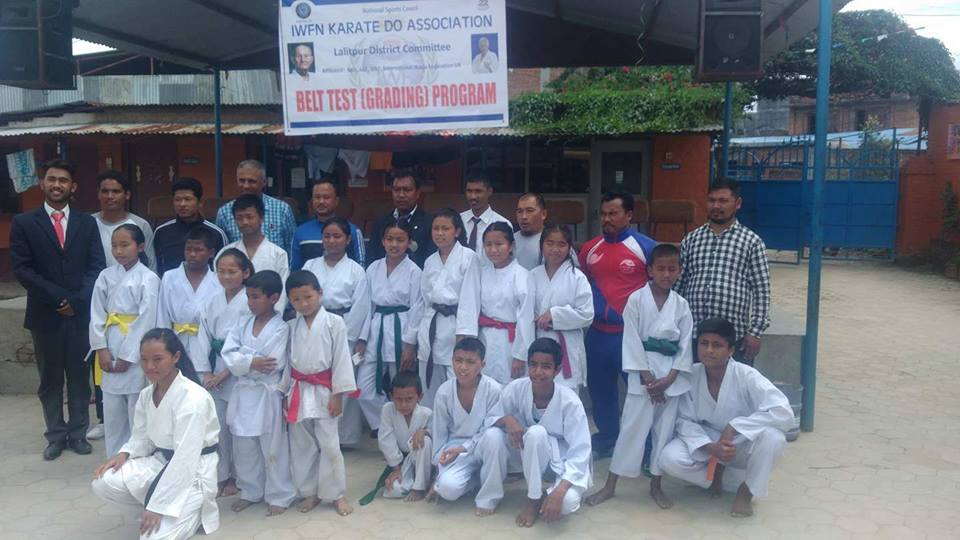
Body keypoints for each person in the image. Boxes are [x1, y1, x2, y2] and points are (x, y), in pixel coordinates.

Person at [10, 159, 105, 460]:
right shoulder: (24, 223)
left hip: (79, 316)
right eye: (51, 179)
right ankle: (54, 435)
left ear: (72, 187)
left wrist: (76, 301)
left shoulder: (87, 223)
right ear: (42, 183)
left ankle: (77, 433)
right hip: (45, 316)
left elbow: (96, 267)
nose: (56, 185)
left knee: (79, 378)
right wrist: (58, 299)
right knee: (50, 380)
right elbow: (22, 269)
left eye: (63, 180)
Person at [587, 243, 693, 510]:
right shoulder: (636, 299)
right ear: (650, 270)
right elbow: (631, 340)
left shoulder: (681, 305)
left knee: (663, 432)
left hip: (670, 377)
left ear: (679, 271)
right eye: (661, 269)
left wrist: (670, 379)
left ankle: (656, 485)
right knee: (631, 429)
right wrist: (648, 379)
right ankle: (610, 485)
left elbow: (685, 346)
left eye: (672, 269)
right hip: (643, 376)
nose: (666, 274)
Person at [92, 328, 220, 540]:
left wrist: (158, 506)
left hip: (194, 473)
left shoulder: (193, 399)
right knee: (104, 481)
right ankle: (154, 513)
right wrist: (124, 454)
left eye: (157, 359)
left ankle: (194, 512)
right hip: (161, 461)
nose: (149, 366)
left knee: (152, 539)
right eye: (144, 359)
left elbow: (185, 459)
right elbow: (142, 438)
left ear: (175, 357)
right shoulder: (146, 395)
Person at [658, 318, 793, 517]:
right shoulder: (691, 375)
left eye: (717, 345)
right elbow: (684, 421)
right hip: (709, 441)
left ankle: (746, 490)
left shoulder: (747, 376)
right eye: (704, 343)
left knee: (774, 438)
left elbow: (784, 412)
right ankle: (715, 477)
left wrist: (736, 426)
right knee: (669, 459)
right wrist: (710, 447)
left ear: (731, 350)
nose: (709, 350)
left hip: (739, 442)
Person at [579, 190, 657, 457]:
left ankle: (646, 447)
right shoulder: (589, 249)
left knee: (640, 394)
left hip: (630, 336)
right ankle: (607, 438)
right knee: (601, 391)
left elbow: (659, 289)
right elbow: (585, 283)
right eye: (603, 214)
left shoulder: (647, 248)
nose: (607, 219)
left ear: (629, 215)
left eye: (613, 213)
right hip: (597, 334)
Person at [88, 171, 157, 441]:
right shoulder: (106, 276)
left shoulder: (148, 279)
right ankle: (113, 458)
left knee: (137, 411)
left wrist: (129, 355)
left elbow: (146, 318)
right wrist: (101, 348)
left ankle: (137, 458)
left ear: (140, 247)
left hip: (135, 350)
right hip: (110, 342)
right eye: (114, 246)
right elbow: (97, 314)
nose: (119, 251)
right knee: (113, 412)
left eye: (125, 245)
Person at [221, 271, 296, 516]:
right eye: (248, 297)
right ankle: (250, 491)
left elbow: (272, 362)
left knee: (273, 445)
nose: (250, 302)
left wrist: (243, 357)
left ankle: (279, 495)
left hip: (268, 393)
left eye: (255, 297)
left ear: (273, 298)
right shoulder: (242, 323)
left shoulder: (281, 328)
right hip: (244, 391)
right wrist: (251, 361)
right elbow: (228, 354)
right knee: (244, 445)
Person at [283, 270, 358, 516]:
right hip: (298, 388)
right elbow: (286, 363)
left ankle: (336, 494)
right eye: (297, 299)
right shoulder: (290, 327)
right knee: (301, 444)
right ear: (289, 301)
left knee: (329, 443)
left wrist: (338, 393)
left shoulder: (335, 323)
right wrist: (284, 392)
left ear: (320, 293)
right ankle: (309, 492)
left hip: (325, 389)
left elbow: (341, 358)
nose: (304, 304)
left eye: (308, 297)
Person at [497, 338, 592, 527]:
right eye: (533, 365)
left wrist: (560, 491)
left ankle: (550, 494)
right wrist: (508, 419)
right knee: (535, 433)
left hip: (564, 463)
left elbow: (581, 451)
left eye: (546, 367)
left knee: (566, 503)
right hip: (530, 456)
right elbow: (492, 417)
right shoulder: (516, 388)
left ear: (557, 370)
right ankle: (534, 498)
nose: (538, 372)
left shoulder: (570, 402)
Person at [677, 178, 771, 365]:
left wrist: (755, 332)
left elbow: (761, 290)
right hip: (694, 335)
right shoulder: (692, 239)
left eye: (723, 201)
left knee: (732, 383)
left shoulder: (752, 242)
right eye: (711, 200)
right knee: (694, 382)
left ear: (738, 203)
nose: (716, 206)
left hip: (732, 338)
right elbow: (680, 284)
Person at [302, 218, 370, 447]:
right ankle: (316, 433)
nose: (331, 241)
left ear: (348, 239)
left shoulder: (356, 270)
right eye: (327, 236)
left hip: (344, 327)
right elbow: (301, 297)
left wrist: (351, 336)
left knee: (343, 381)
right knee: (316, 380)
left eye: (337, 236)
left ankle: (345, 437)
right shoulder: (310, 265)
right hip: (313, 324)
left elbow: (361, 306)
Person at [427, 338, 508, 517]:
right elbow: (439, 433)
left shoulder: (494, 390)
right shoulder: (444, 391)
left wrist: (465, 448)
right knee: (447, 490)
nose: (463, 367)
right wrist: (438, 471)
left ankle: (489, 498)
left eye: (470, 362)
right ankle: (477, 480)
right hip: (454, 451)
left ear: (482, 365)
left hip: (484, 446)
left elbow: (491, 427)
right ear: (452, 361)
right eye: (458, 360)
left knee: (494, 435)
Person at [355, 221, 424, 432]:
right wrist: (362, 338)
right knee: (363, 388)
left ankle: (405, 429)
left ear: (409, 242)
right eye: (390, 239)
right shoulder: (373, 268)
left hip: (401, 328)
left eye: (400, 240)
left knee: (402, 387)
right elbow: (366, 305)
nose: (394, 244)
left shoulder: (414, 271)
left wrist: (410, 345)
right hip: (376, 329)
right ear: (383, 241)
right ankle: (384, 425)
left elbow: (417, 308)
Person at [197, 248, 253, 498]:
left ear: (245, 273)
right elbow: (202, 336)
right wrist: (206, 371)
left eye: (232, 271)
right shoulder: (212, 300)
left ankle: (239, 476)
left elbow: (247, 342)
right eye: (221, 271)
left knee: (238, 426)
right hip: (214, 367)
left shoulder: (250, 301)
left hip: (238, 370)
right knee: (218, 425)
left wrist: (225, 373)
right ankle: (221, 475)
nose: (226, 277)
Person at [458, 222, 534, 386]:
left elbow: (526, 318)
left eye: (499, 244)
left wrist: (520, 355)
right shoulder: (482, 273)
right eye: (488, 244)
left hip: (510, 342)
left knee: (511, 387)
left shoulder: (522, 276)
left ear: (511, 246)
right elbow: (470, 307)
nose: (493, 250)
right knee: (484, 385)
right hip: (485, 338)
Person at [417, 209, 478, 407]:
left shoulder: (468, 257)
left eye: (445, 228)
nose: (440, 233)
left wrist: (464, 335)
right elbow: (423, 301)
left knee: (457, 386)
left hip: (455, 327)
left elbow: (470, 298)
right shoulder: (430, 261)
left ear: (457, 231)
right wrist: (413, 337)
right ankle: (431, 424)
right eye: (436, 228)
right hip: (431, 326)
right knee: (429, 388)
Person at [527, 225, 594, 389]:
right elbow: (525, 312)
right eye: (549, 243)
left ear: (569, 247)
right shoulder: (533, 275)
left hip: (567, 345)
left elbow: (587, 314)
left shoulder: (577, 277)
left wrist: (554, 315)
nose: (555, 249)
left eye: (561, 244)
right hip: (538, 341)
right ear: (541, 245)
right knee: (538, 393)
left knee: (567, 394)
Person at [158, 227, 223, 377]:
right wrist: (163, 346)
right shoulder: (170, 277)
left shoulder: (218, 281)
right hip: (176, 340)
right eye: (188, 249)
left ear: (211, 253)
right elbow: (162, 316)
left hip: (206, 345)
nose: (192, 254)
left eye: (198, 250)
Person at [217, 194, 289, 311]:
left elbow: (282, 292)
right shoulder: (225, 253)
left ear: (261, 218)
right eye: (240, 218)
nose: (245, 222)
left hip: (267, 315)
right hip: (230, 314)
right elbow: (218, 287)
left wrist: (273, 317)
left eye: (249, 217)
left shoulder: (278, 254)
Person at [216, 159, 297, 255]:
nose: (246, 186)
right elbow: (221, 250)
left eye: (252, 181)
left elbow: (291, 247)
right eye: (242, 181)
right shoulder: (224, 212)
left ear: (264, 182)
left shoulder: (282, 209)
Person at [375, 371, 433, 501]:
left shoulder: (426, 414)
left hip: (423, 461)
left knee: (425, 440)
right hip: (402, 462)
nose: (403, 405)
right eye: (398, 399)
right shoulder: (388, 410)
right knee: (393, 490)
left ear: (420, 397)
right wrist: (396, 469)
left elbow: (437, 435)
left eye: (409, 399)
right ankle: (415, 481)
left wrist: (424, 431)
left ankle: (419, 488)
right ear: (391, 396)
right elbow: (386, 440)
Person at [153, 177, 227, 277]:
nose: (182, 204)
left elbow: (223, 267)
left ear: (200, 202)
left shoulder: (216, 233)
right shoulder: (161, 232)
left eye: (187, 199)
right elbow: (156, 266)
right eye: (178, 200)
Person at [291, 179, 365, 270]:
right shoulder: (300, 232)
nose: (321, 201)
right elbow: (295, 270)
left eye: (326, 197)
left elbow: (361, 266)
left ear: (336, 201)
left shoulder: (352, 231)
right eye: (317, 197)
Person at [368, 169, 435, 268]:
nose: (401, 195)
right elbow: (372, 257)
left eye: (407, 190)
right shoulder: (381, 222)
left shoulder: (429, 223)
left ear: (418, 193)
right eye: (397, 190)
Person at [92, 170, 156, 270]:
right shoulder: (88, 223)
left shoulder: (141, 224)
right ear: (98, 194)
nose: (110, 196)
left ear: (127, 195)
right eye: (105, 191)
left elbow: (150, 265)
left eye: (116, 191)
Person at [460, 170, 510, 266]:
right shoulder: (457, 221)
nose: (473, 196)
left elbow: (507, 262)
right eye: (469, 191)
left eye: (478, 191)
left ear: (490, 191)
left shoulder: (502, 223)